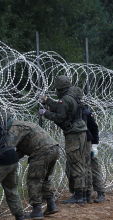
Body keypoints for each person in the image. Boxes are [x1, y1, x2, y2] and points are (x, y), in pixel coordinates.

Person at [39, 75, 90, 204]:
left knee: (75, 163)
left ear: (59, 87)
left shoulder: (66, 99)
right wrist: (48, 101)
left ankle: (79, 196)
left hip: (73, 134)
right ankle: (83, 194)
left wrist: (45, 113)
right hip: (81, 132)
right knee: (81, 162)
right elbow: (60, 107)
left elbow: (60, 116)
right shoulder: (73, 96)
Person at [7, 119, 60, 219]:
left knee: (34, 180)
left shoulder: (14, 128)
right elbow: (21, 150)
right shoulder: (24, 125)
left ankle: (37, 210)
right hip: (54, 148)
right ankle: (51, 205)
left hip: (41, 152)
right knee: (45, 178)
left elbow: (9, 147)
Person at [83, 106, 106, 203]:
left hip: (90, 143)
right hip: (79, 144)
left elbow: (94, 128)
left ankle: (100, 193)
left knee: (94, 168)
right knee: (82, 169)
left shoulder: (85, 111)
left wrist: (95, 145)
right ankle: (86, 193)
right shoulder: (71, 110)